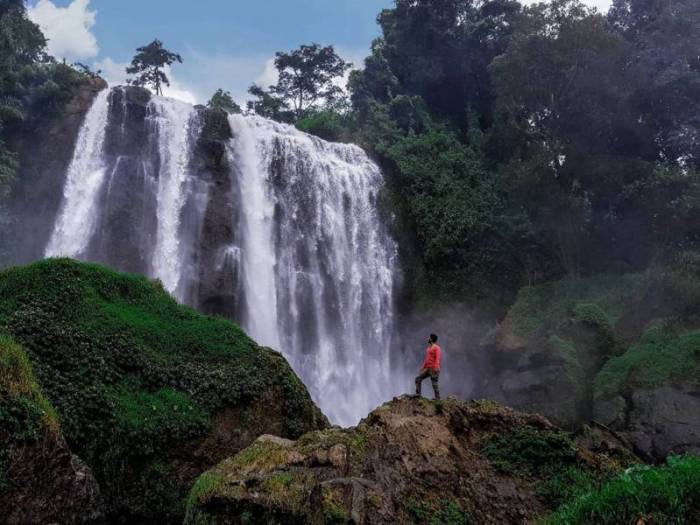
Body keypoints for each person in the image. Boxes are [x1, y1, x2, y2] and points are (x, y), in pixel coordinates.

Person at [415, 333, 441, 400]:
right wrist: (423, 367)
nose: (428, 338)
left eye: (429, 337)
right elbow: (427, 359)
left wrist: (436, 367)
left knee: (434, 385)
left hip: (434, 369)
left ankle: (438, 399)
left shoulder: (437, 348)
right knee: (418, 379)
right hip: (428, 369)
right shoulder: (428, 349)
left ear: (431, 339)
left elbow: (438, 358)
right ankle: (418, 395)